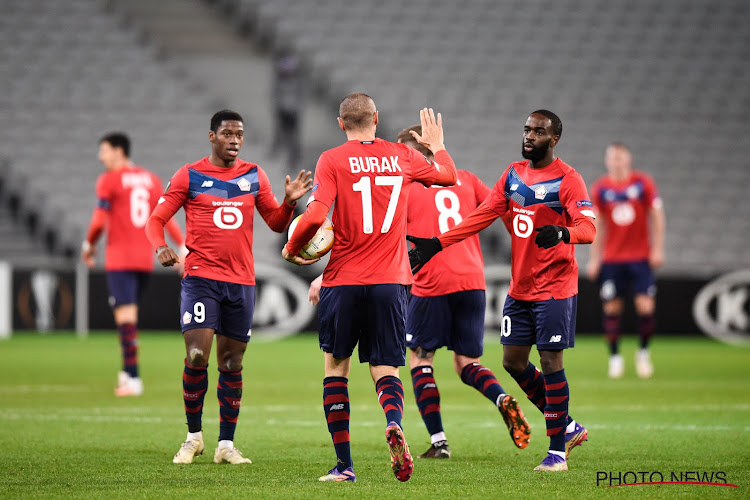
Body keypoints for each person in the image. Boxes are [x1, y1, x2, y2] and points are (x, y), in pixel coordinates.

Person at [282, 94, 458, 483]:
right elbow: (448, 178)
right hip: (392, 281)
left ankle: (344, 466)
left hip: (343, 280)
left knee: (336, 368)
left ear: (341, 123)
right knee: (386, 367)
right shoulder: (402, 156)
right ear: (376, 118)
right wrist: (438, 146)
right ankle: (393, 423)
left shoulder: (331, 159)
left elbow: (314, 216)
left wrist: (293, 250)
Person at [408, 110, 594, 472]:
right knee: (512, 362)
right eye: (527, 130)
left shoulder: (569, 181)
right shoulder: (512, 174)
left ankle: (557, 450)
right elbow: (484, 214)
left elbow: (588, 227)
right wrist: (437, 244)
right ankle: (568, 425)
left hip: (554, 288)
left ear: (554, 139)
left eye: (538, 132)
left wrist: (564, 233)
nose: (529, 136)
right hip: (519, 289)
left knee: (551, 362)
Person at [145, 110, 312, 465]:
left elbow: (275, 222)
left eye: (239, 134)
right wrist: (159, 245)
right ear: (212, 136)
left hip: (240, 282)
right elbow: (156, 219)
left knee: (232, 362)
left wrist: (289, 202)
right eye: (227, 134)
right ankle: (193, 438)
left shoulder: (254, 175)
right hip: (201, 279)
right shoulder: (189, 175)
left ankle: (226, 445)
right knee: (196, 356)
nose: (234, 140)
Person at [82, 132, 185, 397]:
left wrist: (89, 245)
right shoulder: (151, 179)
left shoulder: (108, 180)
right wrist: (182, 245)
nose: (100, 156)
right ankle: (127, 373)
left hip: (119, 259)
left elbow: (97, 221)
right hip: (144, 259)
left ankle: (133, 378)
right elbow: (164, 217)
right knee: (128, 320)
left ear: (118, 151)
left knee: (126, 321)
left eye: (104, 150)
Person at [586, 143, 665, 379]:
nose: (617, 161)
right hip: (612, 259)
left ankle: (643, 353)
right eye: (613, 157)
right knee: (611, 308)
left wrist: (658, 248)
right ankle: (615, 358)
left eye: (620, 157)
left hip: (640, 257)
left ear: (628, 159)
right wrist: (594, 258)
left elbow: (657, 215)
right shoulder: (600, 188)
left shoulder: (643, 183)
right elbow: (597, 224)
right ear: (607, 160)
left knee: (646, 306)